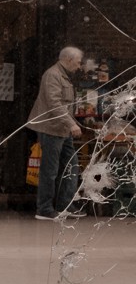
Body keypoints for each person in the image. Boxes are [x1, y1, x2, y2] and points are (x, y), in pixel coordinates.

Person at [28, 46, 84, 220]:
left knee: (71, 166)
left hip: (62, 129)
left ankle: (65, 205)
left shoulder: (62, 75)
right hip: (51, 129)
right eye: (78, 62)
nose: (79, 66)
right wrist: (71, 123)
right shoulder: (52, 75)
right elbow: (54, 104)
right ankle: (44, 209)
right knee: (50, 170)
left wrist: (71, 124)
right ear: (68, 59)